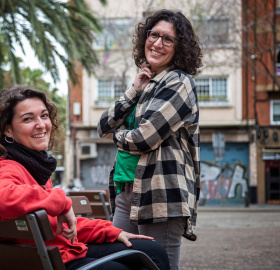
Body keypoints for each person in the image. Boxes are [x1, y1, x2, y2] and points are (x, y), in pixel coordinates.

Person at [0, 85, 170, 270]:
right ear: (8, 129)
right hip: (53, 260)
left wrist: (110, 231)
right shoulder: (6, 167)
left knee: (152, 250)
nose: (41, 125)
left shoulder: (30, 166)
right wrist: (60, 200)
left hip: (55, 252)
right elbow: (1, 200)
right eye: (28, 119)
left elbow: (60, 225)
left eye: (44, 116)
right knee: (145, 258)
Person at [97, 9, 203, 270]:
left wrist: (118, 136)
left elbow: (144, 138)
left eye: (168, 39)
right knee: (121, 263)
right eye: (154, 34)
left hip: (160, 192)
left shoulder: (179, 82)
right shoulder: (147, 84)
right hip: (126, 190)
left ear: (180, 48)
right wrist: (135, 89)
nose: (157, 43)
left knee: (157, 266)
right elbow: (103, 124)